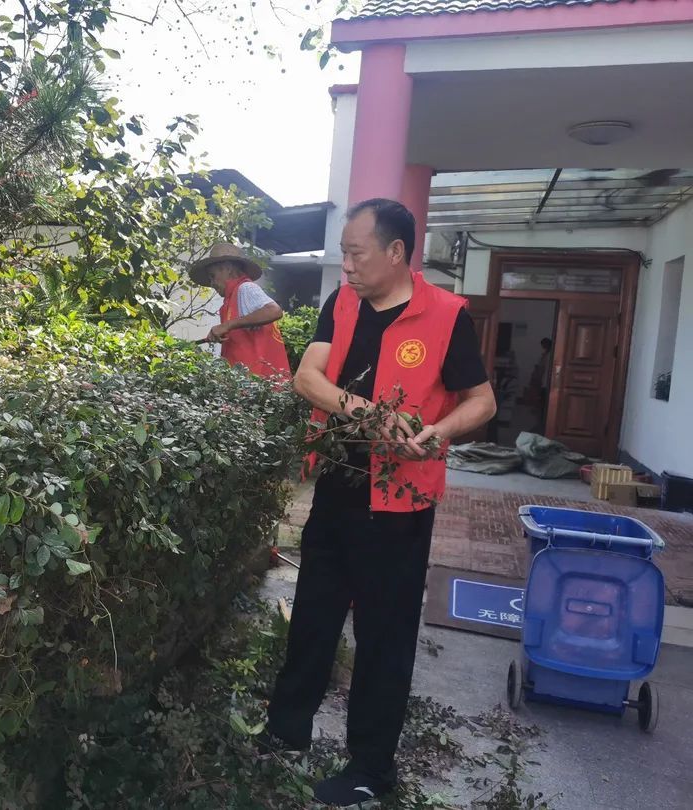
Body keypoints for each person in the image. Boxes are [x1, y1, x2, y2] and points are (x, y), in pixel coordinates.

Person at [262, 199, 497, 807]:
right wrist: (369, 413)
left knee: (383, 636)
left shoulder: (446, 315)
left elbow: (482, 401)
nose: (346, 266)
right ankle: (286, 730)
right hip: (339, 486)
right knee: (312, 616)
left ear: (396, 253)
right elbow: (308, 378)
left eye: (355, 253)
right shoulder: (342, 304)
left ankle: (370, 767)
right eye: (343, 254)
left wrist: (439, 431)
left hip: (401, 504)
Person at [188, 243, 291, 379]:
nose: (212, 283)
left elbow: (274, 310)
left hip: (259, 381)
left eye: (213, 276)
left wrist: (226, 325)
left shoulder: (246, 288)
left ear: (228, 268)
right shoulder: (232, 299)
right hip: (247, 381)